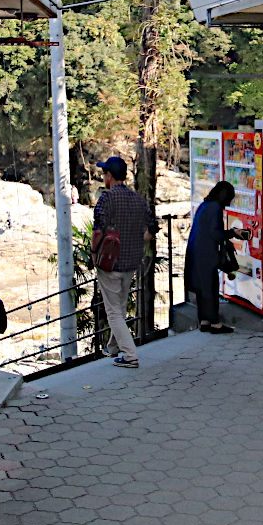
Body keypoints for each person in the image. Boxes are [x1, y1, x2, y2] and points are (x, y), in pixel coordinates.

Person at [90, 155, 153, 369]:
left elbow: (98, 229)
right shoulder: (138, 199)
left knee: (113, 311)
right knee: (121, 306)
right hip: (131, 261)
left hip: (110, 262)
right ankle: (114, 347)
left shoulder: (106, 199)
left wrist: (93, 255)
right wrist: (140, 237)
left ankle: (130, 355)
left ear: (109, 176)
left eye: (104, 174)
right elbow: (152, 227)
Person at [185, 180, 249, 334]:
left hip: (195, 250)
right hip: (206, 253)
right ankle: (215, 324)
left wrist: (231, 232)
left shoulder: (205, 205)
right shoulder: (215, 208)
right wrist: (233, 233)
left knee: (202, 288)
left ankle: (204, 321)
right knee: (211, 287)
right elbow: (216, 234)